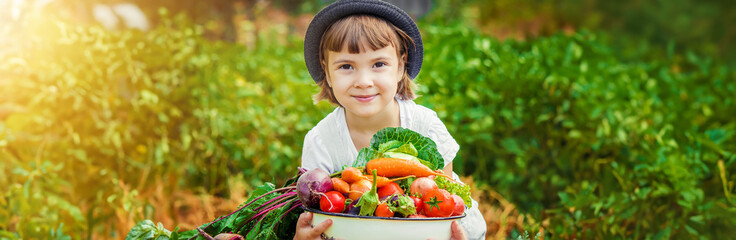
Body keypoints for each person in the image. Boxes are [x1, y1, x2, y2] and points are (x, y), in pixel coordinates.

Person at [295, 0, 487, 239]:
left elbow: (446, 202)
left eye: (378, 64)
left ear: (400, 66)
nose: (363, 81)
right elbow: (318, 212)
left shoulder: (425, 126)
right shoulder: (321, 141)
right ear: (327, 72)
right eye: (346, 66)